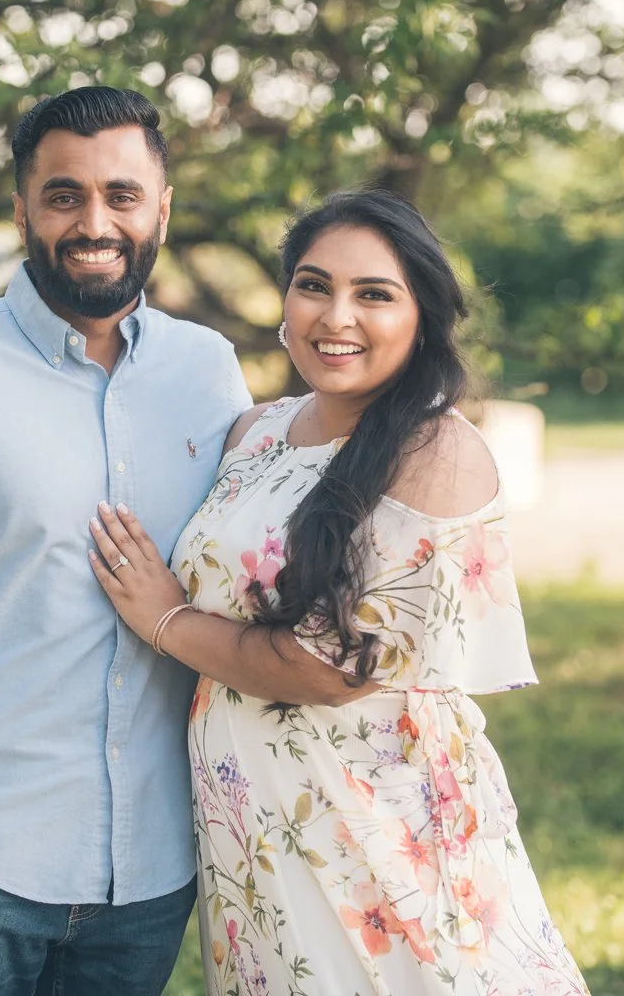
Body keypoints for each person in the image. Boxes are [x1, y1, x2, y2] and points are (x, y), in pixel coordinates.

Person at [87, 189, 591, 994]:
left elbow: (330, 667)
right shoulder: (258, 432)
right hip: (254, 824)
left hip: (378, 827)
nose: (336, 316)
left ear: (421, 315)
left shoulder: (435, 450)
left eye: (374, 294)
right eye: (314, 285)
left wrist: (165, 619)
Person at [0, 85, 251, 995]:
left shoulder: (209, 372)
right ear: (21, 206)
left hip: (150, 871)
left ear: (162, 209)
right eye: (64, 195)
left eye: (122, 195)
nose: (93, 221)